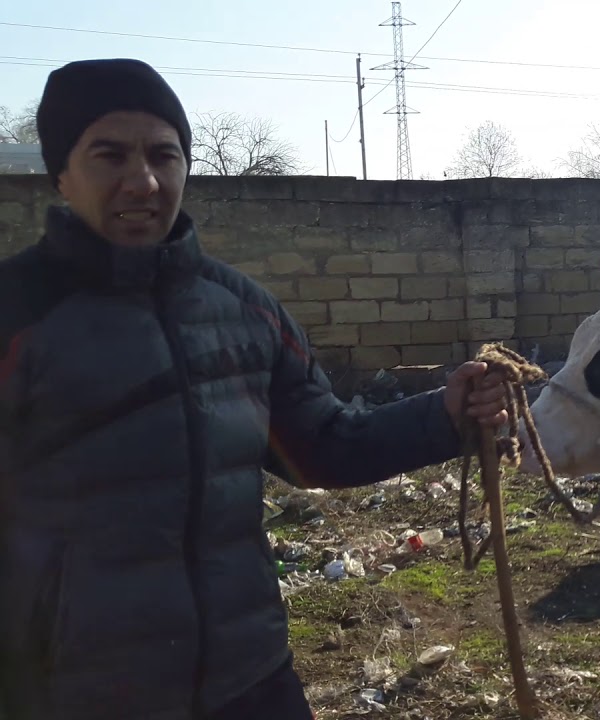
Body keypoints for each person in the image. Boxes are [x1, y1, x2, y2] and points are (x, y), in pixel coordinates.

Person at [0, 58, 510, 720]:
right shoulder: (16, 318)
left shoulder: (245, 312)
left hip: (251, 678)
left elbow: (322, 448)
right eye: (109, 155)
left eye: (164, 154)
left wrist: (445, 412)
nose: (144, 181)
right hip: (70, 692)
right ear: (60, 172)